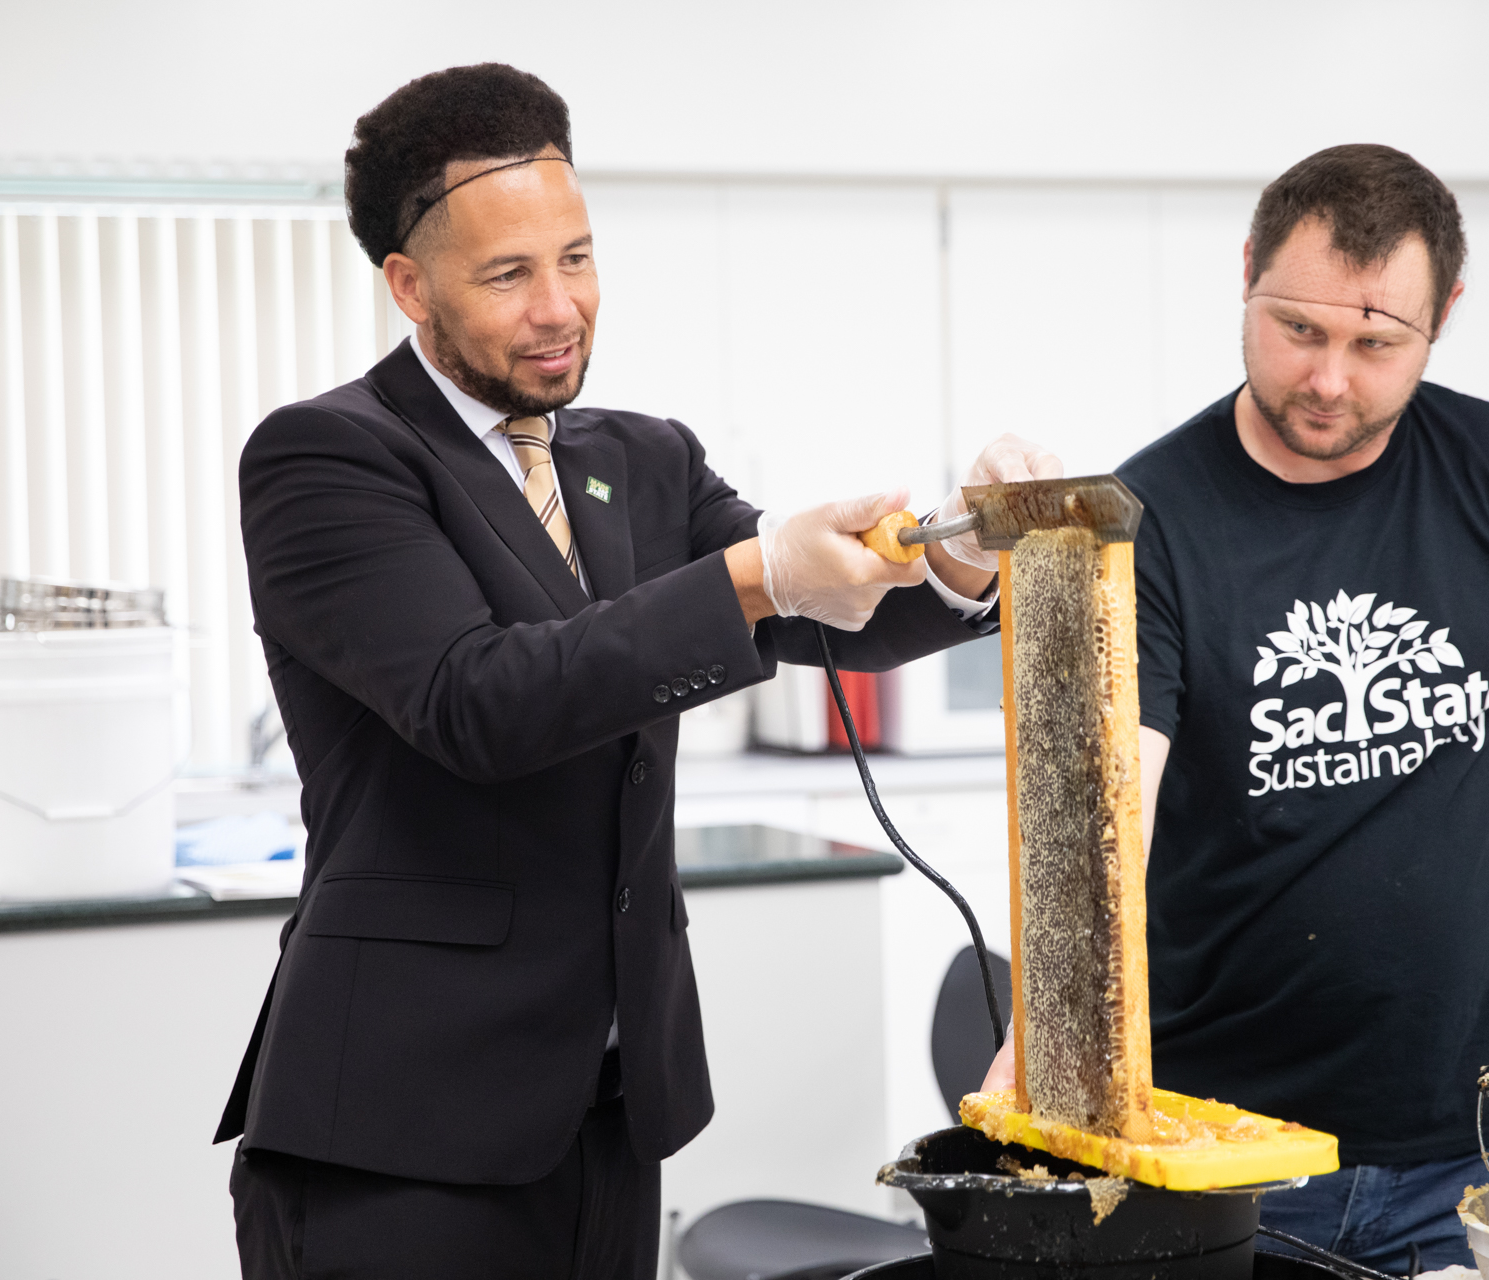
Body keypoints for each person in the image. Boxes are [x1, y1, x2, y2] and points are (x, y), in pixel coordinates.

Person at [217, 63, 1058, 1279]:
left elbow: (824, 613)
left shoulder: (642, 459)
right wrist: (758, 571)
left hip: (610, 1107)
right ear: (409, 284)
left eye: (577, 255)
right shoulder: (328, 457)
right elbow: (481, 700)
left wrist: (961, 553)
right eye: (508, 273)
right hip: (402, 1125)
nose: (560, 305)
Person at [986, 144, 1489, 1271]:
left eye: (1378, 343)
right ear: (1246, 272)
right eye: (1300, 330)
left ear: (1446, 316)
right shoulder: (1147, 521)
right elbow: (1110, 807)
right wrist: (1044, 1041)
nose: (1331, 377)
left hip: (1479, 1142)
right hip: (1230, 1149)